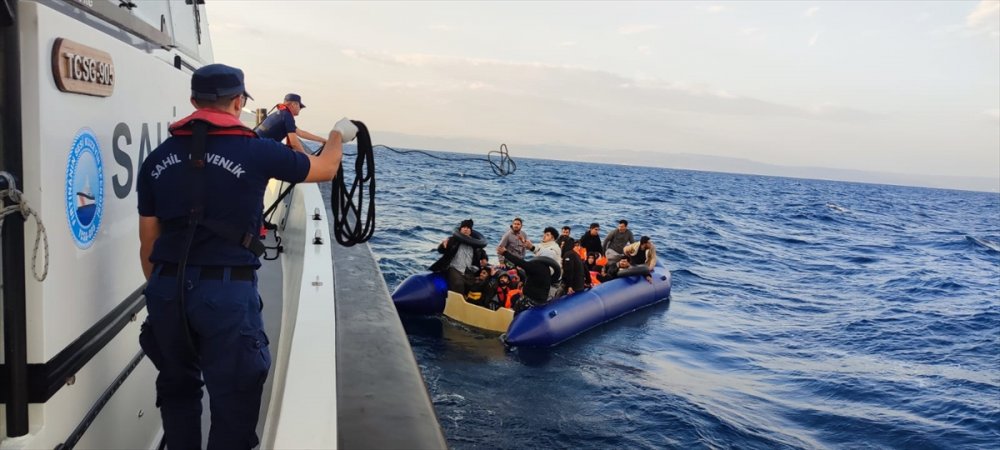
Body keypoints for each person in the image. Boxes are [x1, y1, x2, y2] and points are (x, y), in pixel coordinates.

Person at [136, 63, 353, 450]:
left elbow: (147, 243)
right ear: (238, 102)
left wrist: (163, 289)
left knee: (177, 388)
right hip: (226, 295)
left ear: (193, 101)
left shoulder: (157, 159)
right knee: (234, 396)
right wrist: (339, 133)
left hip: (166, 288)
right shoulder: (256, 151)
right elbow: (327, 168)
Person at [255, 93, 330, 153]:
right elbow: (294, 143)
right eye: (300, 106)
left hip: (256, 147)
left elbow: (301, 133)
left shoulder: (281, 114)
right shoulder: (287, 115)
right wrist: (307, 160)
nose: (300, 109)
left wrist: (322, 140)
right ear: (294, 104)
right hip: (261, 150)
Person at [497, 246, 560, 312]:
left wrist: (505, 253)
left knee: (515, 309)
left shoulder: (537, 266)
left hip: (530, 301)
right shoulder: (547, 270)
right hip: (541, 302)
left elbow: (520, 262)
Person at [429, 219, 483, 294]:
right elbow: (440, 250)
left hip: (468, 270)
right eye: (464, 227)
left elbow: (482, 253)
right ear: (460, 229)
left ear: (470, 231)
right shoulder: (453, 240)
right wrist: (442, 246)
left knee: (474, 286)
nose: (466, 229)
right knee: (458, 284)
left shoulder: (475, 243)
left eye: (468, 228)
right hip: (454, 268)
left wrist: (484, 258)